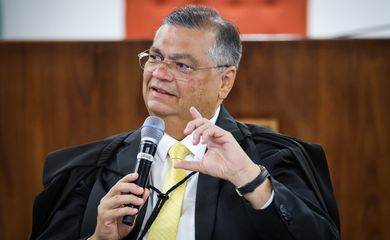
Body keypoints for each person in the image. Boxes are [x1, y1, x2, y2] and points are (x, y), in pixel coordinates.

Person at [31, 4, 340, 240]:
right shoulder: (88, 170)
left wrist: (251, 180)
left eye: (181, 65)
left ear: (225, 81)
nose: (159, 73)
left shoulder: (274, 160)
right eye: (154, 57)